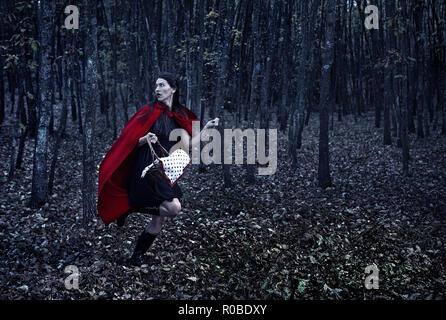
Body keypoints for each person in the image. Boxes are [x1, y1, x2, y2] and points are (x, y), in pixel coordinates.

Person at [97, 72, 219, 266]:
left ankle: (136, 255)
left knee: (160, 219)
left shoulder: (180, 115)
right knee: (173, 207)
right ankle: (130, 207)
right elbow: (128, 142)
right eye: (156, 86)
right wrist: (145, 139)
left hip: (164, 168)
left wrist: (206, 128)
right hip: (147, 165)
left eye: (162, 85)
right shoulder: (148, 112)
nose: (157, 89)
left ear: (173, 89)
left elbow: (188, 146)